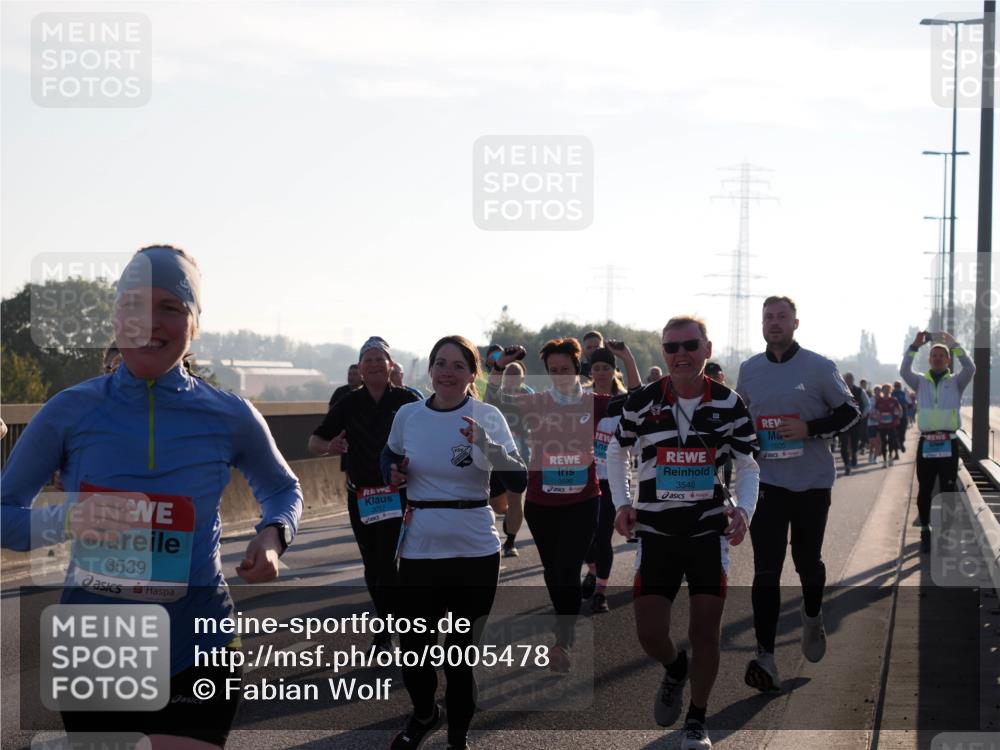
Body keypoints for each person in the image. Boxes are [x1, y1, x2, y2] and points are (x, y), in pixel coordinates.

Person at [1, 245, 302, 747]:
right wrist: (70, 519)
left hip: (200, 645)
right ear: (116, 317)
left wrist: (273, 537)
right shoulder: (69, 411)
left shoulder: (231, 415)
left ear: (194, 324)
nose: (150, 321)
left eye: (171, 307)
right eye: (135, 305)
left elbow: (283, 488)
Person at [608, 316, 760, 750]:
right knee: (650, 634)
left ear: (706, 349)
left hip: (706, 533)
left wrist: (745, 511)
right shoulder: (642, 401)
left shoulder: (729, 404)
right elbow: (615, 452)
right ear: (663, 353)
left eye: (689, 345)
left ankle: (697, 719)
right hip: (655, 530)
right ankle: (675, 669)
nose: (680, 355)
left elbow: (749, 464)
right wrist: (621, 501)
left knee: (705, 632)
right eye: (671, 348)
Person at [381, 335, 526, 750]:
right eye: (440, 363)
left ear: (471, 374)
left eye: (458, 365)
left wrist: (485, 443)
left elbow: (518, 479)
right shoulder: (408, 415)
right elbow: (388, 457)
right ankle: (425, 714)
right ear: (430, 369)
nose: (447, 371)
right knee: (415, 652)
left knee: (459, 657)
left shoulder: (488, 415)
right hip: (420, 547)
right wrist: (392, 473)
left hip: (474, 549)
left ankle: (458, 739)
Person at [487, 336, 639, 672]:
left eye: (565, 369)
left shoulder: (594, 402)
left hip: (583, 502)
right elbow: (495, 401)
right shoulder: (536, 401)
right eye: (553, 370)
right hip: (541, 505)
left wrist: (625, 357)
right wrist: (498, 367)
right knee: (553, 573)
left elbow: (633, 401)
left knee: (568, 569)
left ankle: (564, 640)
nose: (559, 375)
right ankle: (564, 628)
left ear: (576, 369)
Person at [736, 296, 860, 692]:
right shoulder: (750, 370)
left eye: (781, 317)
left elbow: (851, 412)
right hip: (767, 483)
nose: (774, 323)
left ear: (795, 323)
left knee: (808, 562)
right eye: (768, 317)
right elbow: (741, 420)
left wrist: (811, 429)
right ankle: (766, 657)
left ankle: (811, 616)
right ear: (762, 323)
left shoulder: (819, 367)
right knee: (766, 570)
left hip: (811, 482)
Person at [308, 337, 421, 651]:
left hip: (397, 493)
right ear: (359, 368)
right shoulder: (348, 402)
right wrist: (328, 447)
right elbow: (314, 441)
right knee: (373, 564)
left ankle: (387, 631)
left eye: (378, 359)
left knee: (388, 561)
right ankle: (388, 624)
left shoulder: (408, 400)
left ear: (390, 366)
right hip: (361, 495)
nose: (372, 365)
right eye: (367, 360)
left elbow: (428, 437)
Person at [899, 330, 975, 553]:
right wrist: (914, 346)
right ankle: (925, 529)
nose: (938, 358)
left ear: (948, 359)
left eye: (942, 355)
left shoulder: (956, 382)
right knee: (924, 489)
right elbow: (904, 370)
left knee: (948, 490)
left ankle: (946, 533)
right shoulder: (920, 381)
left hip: (948, 443)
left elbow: (971, 368)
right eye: (934, 356)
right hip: (927, 443)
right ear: (930, 359)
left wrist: (954, 344)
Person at [581, 345, 641, 613]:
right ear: (591, 371)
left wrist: (627, 357)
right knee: (583, 538)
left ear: (613, 370)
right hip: (583, 476)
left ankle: (600, 593)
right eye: (597, 368)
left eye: (606, 368)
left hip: (612, 478)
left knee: (603, 536)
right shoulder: (583, 398)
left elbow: (639, 394)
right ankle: (593, 570)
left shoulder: (624, 400)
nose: (602, 373)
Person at [497, 361, 534, 557]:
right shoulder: (497, 395)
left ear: (522, 378)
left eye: (516, 375)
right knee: (498, 504)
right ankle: (507, 514)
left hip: (520, 452)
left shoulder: (529, 394)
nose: (511, 378)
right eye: (508, 375)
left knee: (515, 497)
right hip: (495, 452)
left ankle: (510, 542)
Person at [839, 373, 870, 474]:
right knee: (843, 445)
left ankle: (854, 456)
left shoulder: (860, 391)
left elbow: (867, 404)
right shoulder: (839, 391)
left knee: (854, 443)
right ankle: (847, 464)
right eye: (846, 379)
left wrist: (863, 414)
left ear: (853, 380)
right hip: (843, 423)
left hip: (856, 422)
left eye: (849, 379)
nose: (848, 381)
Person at [873, 385, 902, 466]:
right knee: (883, 442)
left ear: (890, 390)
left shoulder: (893, 400)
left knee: (891, 441)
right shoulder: (879, 401)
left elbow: (899, 410)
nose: (886, 391)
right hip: (882, 425)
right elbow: (876, 411)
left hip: (891, 425)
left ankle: (890, 457)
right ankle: (884, 460)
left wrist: (897, 417)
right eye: (884, 390)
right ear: (882, 391)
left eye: (887, 390)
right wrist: (877, 416)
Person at [891, 380, 909, 452]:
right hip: (894, 417)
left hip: (903, 415)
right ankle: (898, 445)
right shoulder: (891, 394)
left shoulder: (904, 394)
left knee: (902, 432)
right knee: (895, 433)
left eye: (898, 386)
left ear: (900, 387)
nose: (897, 388)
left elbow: (908, 403)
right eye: (896, 386)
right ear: (894, 387)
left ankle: (901, 443)